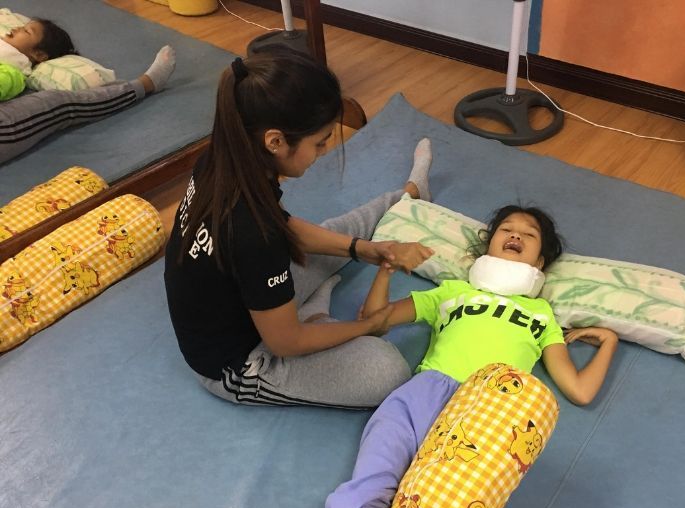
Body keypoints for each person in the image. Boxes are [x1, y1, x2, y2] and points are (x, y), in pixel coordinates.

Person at [244, 204, 619, 508]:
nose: (516, 235)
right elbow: (377, 318)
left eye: (529, 234)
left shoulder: (541, 315)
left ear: (539, 261)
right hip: (423, 396)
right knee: (364, 498)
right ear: (487, 246)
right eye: (506, 229)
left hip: (486, 414)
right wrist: (385, 271)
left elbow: (579, 390)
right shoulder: (453, 293)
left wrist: (608, 343)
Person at [163, 47, 434, 410]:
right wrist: (369, 326)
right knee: (385, 370)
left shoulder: (222, 159)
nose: (324, 150)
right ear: (275, 141)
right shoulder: (255, 235)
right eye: (320, 142)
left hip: (248, 297)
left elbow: (281, 226)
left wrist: (362, 249)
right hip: (239, 360)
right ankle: (314, 316)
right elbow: (285, 343)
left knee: (333, 233)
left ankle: (408, 194)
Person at [0, 31, 176, 164]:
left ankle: (142, 85)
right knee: (56, 102)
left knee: (56, 101)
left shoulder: (14, 69)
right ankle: (144, 84)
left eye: (27, 31)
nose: (13, 30)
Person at [1, 18, 75, 101]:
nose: (16, 28)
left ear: (39, 54)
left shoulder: (12, 73)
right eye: (22, 27)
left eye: (26, 31)